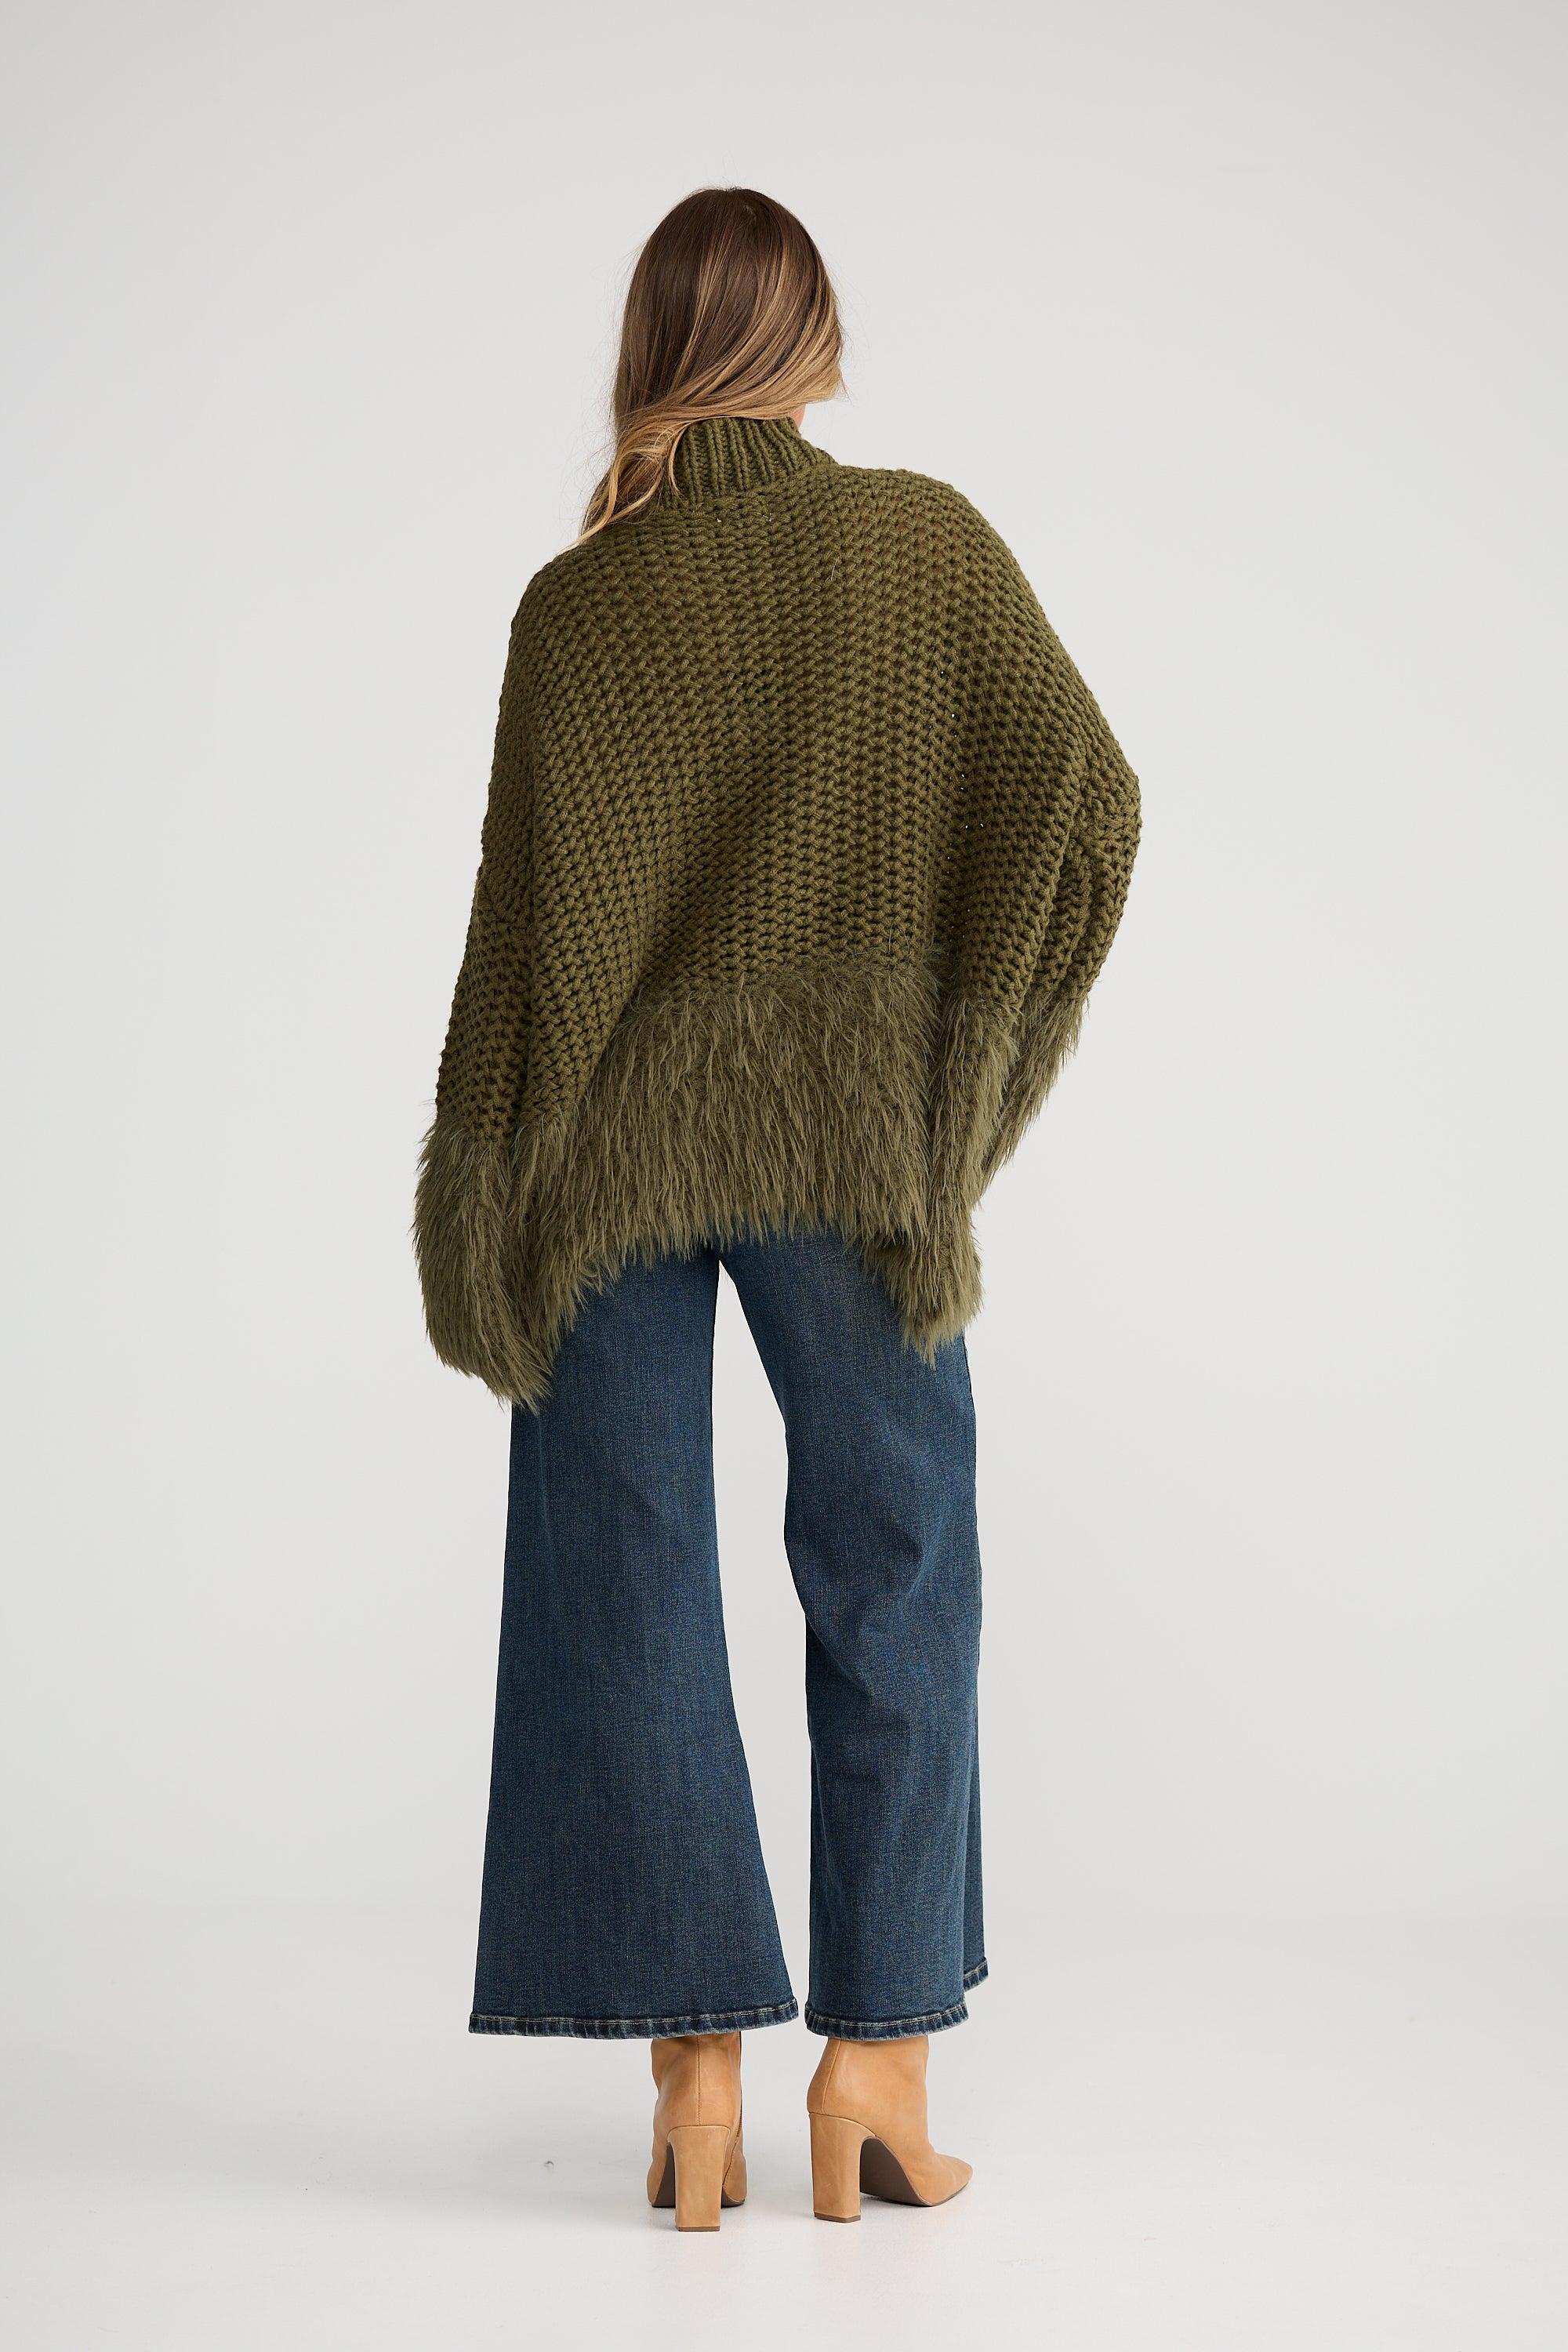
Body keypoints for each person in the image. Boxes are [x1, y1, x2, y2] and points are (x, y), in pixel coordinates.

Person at [415, 185, 1139, 2230]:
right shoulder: (922, 548)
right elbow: (1089, 805)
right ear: (812, 343)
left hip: (606, 1163)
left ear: (649, 351)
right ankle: (879, 2072)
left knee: (621, 1575)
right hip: (849, 1146)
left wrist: (478, 1219)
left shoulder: (577, 607)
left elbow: (518, 961)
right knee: (896, 1556)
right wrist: (952, 1105)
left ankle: (695, 2095)